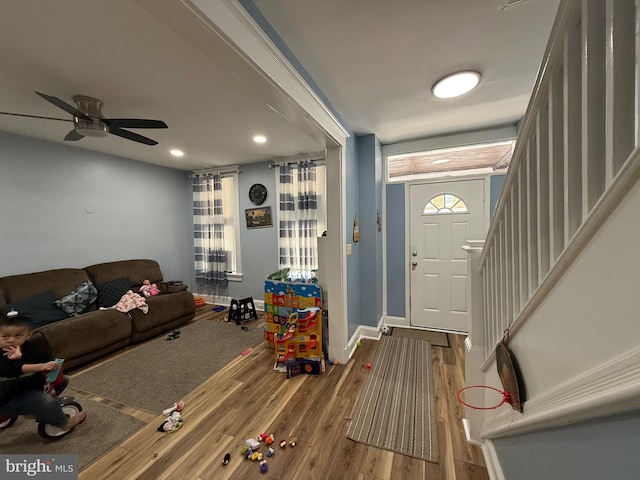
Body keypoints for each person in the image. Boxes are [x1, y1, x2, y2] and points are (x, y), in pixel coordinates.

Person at [0, 314, 86, 431]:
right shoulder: (3, 354)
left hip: (27, 387)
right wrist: (19, 360)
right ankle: (64, 423)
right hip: (6, 397)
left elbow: (42, 357)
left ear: (28, 335)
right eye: (5, 336)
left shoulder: (29, 347)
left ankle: (33, 409)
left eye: (18, 335)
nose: (11, 340)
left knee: (63, 380)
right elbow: (11, 369)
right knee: (46, 401)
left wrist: (49, 365)